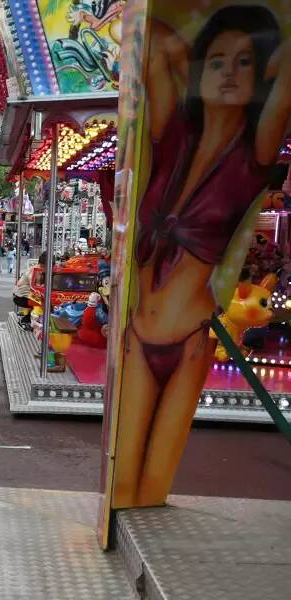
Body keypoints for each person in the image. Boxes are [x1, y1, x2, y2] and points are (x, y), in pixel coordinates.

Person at [111, 7, 291, 507]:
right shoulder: (171, 135)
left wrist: (273, 61)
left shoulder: (253, 153)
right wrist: (187, 56)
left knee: (148, 493)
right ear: (197, 73)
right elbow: (149, 40)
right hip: (137, 338)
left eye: (245, 62)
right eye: (217, 62)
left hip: (190, 342)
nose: (231, 73)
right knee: (122, 490)